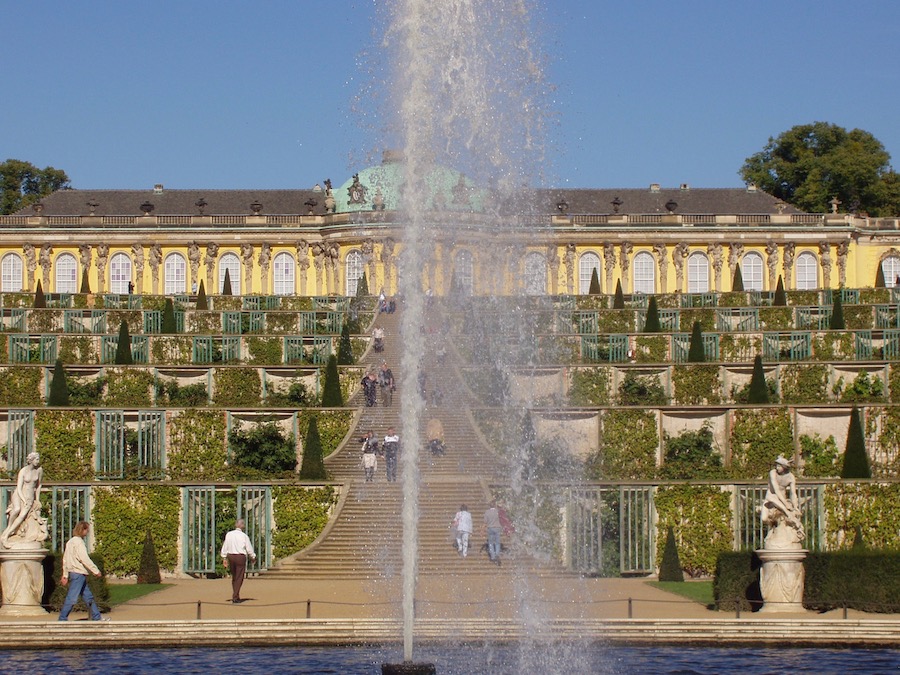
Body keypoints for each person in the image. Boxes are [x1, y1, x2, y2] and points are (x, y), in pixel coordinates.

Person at [58, 521, 105, 621]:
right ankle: (62, 619)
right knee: (72, 597)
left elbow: (65, 559)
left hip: (74, 573)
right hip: (78, 573)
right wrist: (95, 570)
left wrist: (65, 575)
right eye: (87, 529)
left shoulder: (70, 542)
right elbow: (84, 558)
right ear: (83, 530)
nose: (87, 532)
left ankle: (97, 617)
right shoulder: (79, 543)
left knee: (88, 597)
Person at [0, 451, 46, 548]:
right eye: (36, 459)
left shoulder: (39, 470)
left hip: (30, 497)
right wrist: (23, 499)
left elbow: (38, 485)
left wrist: (37, 499)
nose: (38, 461)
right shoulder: (23, 471)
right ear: (31, 460)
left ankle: (6, 534)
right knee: (16, 509)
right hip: (19, 494)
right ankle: (8, 529)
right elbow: (19, 487)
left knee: (22, 516)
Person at [761, 455, 805, 542]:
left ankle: (779, 532)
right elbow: (776, 490)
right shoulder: (772, 473)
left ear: (784, 467)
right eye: (776, 466)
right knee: (764, 518)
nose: (777, 468)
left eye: (779, 466)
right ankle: (773, 527)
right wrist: (786, 504)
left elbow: (793, 493)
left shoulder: (790, 477)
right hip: (771, 497)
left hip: (782, 500)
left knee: (784, 518)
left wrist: (795, 506)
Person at [220, 519, 257, 603]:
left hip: (231, 556)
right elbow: (249, 548)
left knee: (234, 576)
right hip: (240, 557)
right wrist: (253, 557)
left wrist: (224, 557)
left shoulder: (229, 534)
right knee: (239, 577)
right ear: (242, 525)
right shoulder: (244, 536)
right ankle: (235, 596)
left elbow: (225, 545)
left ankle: (236, 594)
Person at [483, 501, 503, 566]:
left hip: (490, 528)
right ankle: (497, 554)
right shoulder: (498, 511)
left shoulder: (487, 512)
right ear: (495, 505)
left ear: (489, 506)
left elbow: (485, 521)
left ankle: (493, 556)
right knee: (497, 542)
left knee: (491, 543)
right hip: (497, 527)